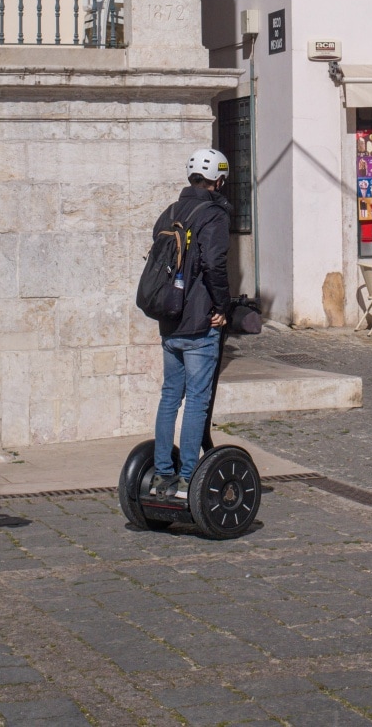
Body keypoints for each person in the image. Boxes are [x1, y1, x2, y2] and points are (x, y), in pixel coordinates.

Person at [148, 149, 232, 503]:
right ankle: (186, 480)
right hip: (199, 323)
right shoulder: (213, 214)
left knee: (170, 397)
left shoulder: (169, 212)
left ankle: (161, 476)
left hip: (170, 319)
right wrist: (222, 306)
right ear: (219, 180)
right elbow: (214, 265)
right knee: (197, 399)